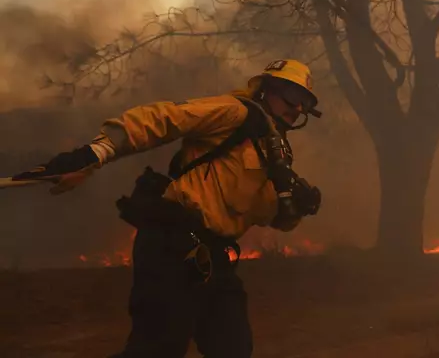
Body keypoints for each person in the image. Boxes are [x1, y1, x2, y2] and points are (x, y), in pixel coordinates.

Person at [12, 59, 323, 358]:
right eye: (292, 96)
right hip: (172, 245)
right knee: (157, 350)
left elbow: (256, 209)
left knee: (233, 347)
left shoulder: (276, 152)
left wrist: (293, 209)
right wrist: (96, 152)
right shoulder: (236, 113)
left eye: (304, 103)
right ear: (267, 88)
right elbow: (165, 117)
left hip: (214, 256)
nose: (297, 108)